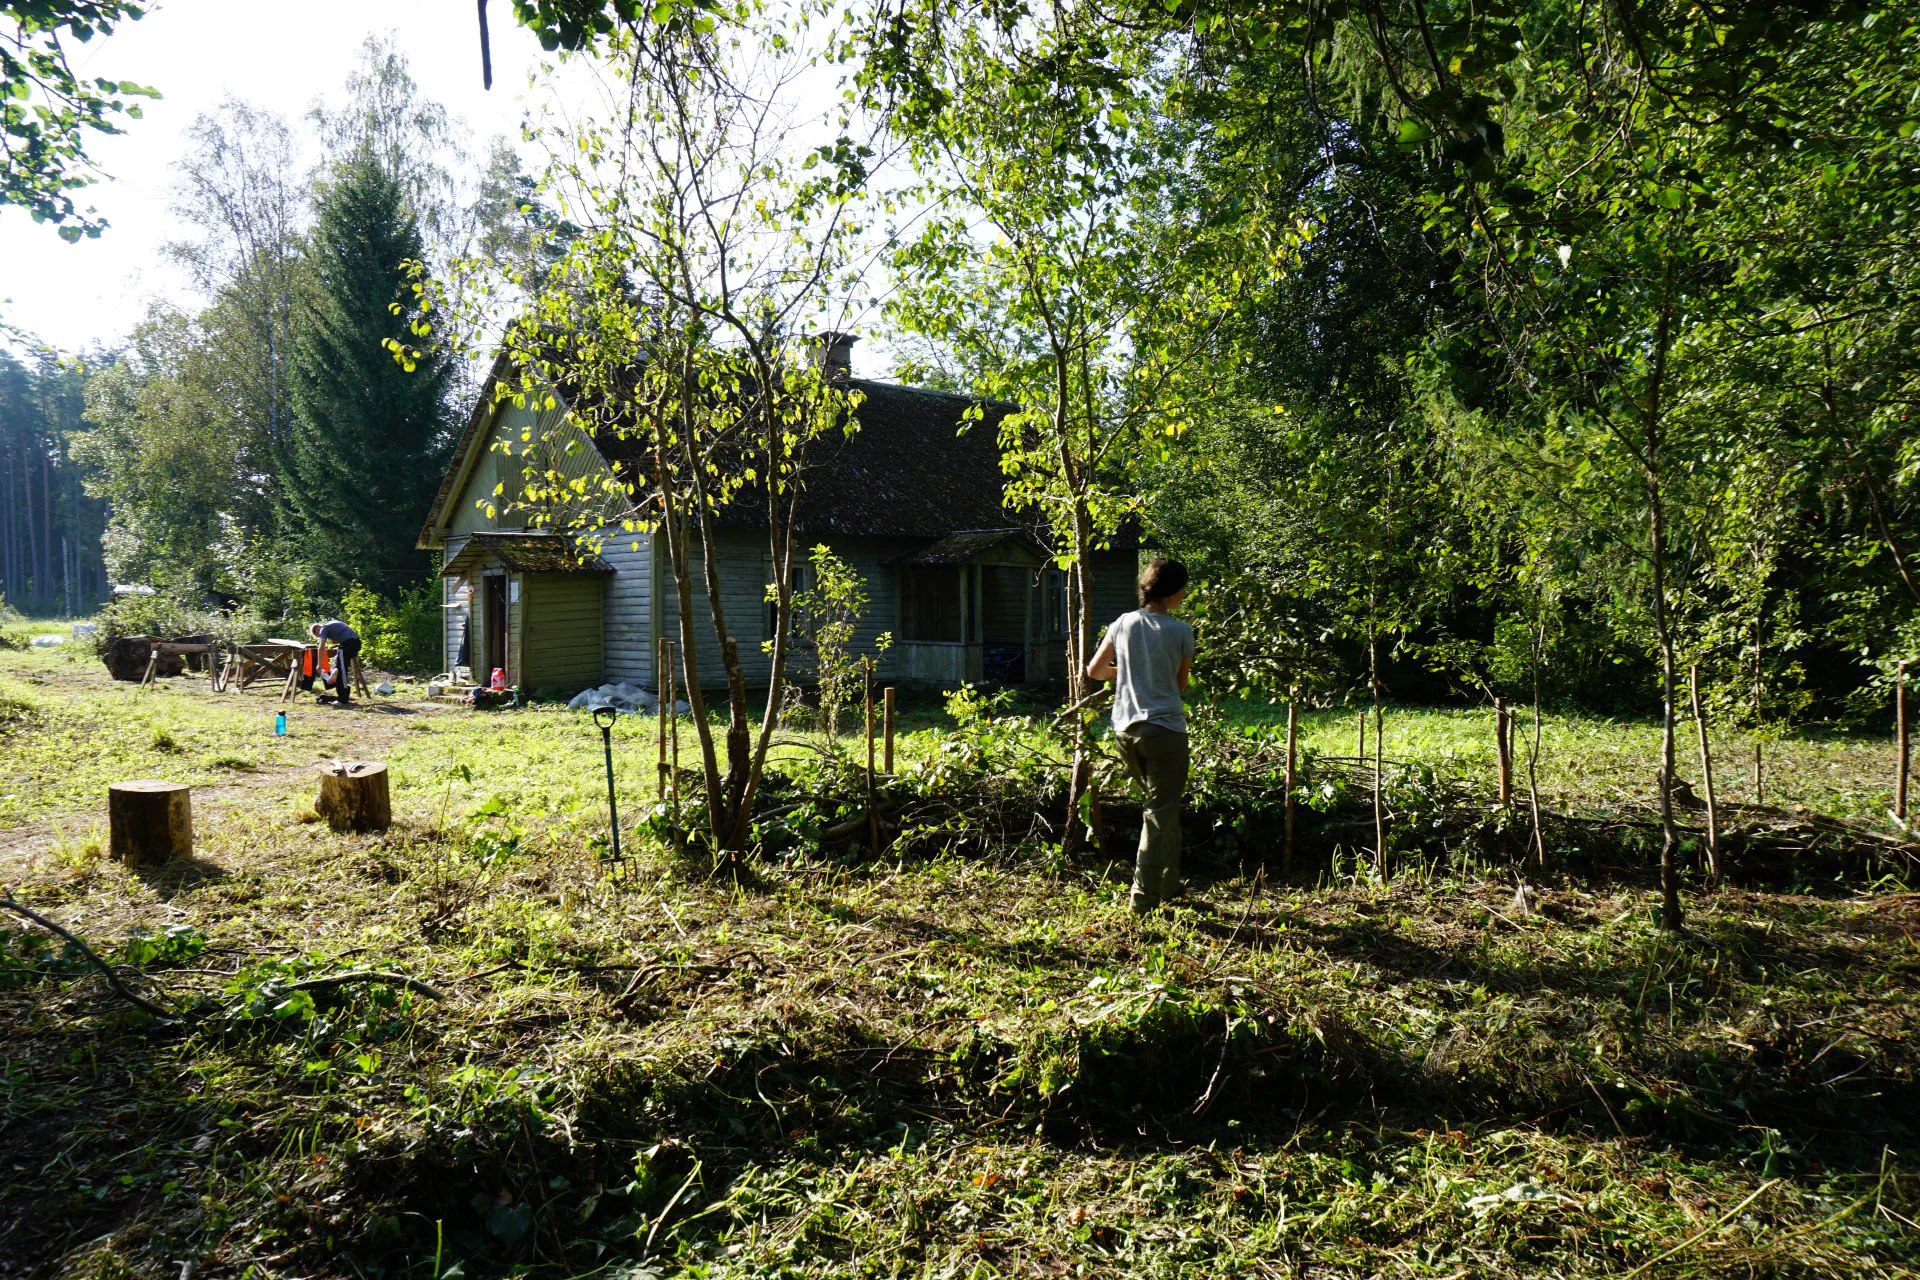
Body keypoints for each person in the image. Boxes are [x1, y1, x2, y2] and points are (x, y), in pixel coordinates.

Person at [1086, 558, 1194, 914]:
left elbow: (1096, 670)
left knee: (1164, 809)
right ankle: (1142, 899)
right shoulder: (1180, 631)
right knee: (1158, 812)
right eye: (1182, 592)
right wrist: (1153, 673)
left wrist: (1129, 671)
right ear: (1174, 593)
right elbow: (1179, 685)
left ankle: (1168, 883)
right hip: (1166, 731)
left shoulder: (1123, 623)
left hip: (1126, 732)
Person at [307, 619, 362, 706]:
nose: (320, 636)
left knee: (341, 670)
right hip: (354, 643)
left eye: (318, 636)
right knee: (336, 662)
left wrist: (319, 665)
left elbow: (321, 648)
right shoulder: (331, 625)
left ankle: (343, 699)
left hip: (348, 644)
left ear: (317, 630)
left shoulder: (323, 629)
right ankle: (334, 672)